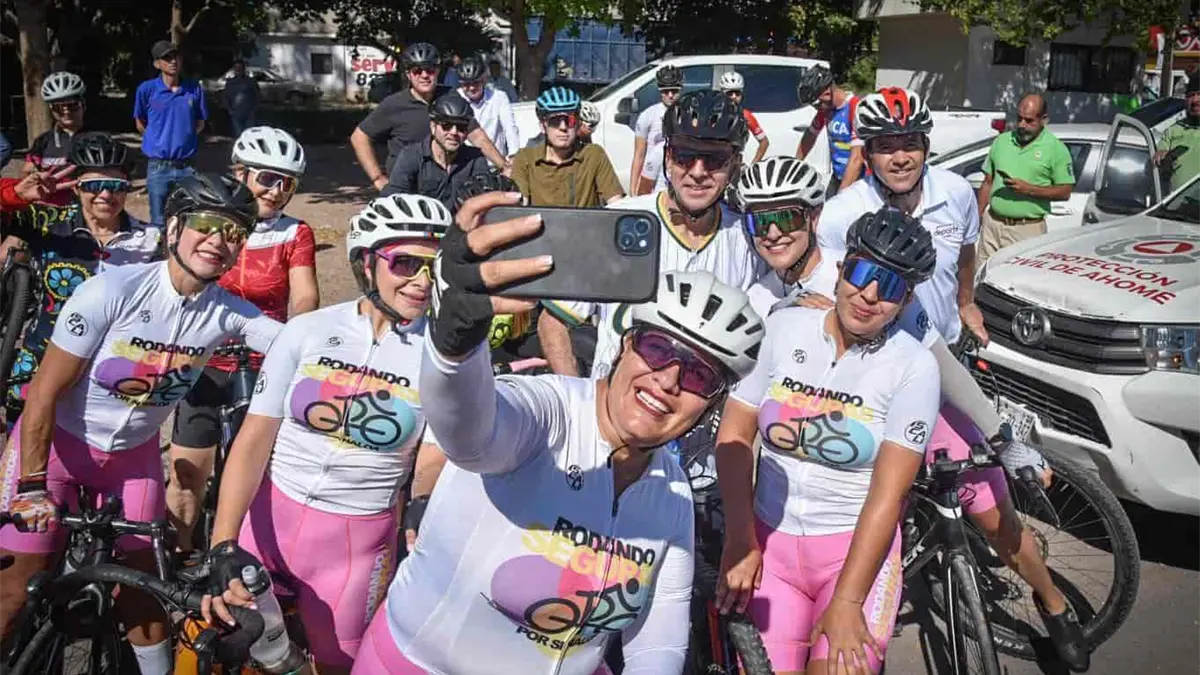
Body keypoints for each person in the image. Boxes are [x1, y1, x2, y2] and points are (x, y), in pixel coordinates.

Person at [352, 185, 765, 671]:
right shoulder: (549, 412)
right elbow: (467, 434)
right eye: (656, 349)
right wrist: (454, 343)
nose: (668, 379)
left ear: (712, 402)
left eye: (699, 375)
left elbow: (657, 643)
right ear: (623, 346)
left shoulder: (670, 492)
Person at [815, 86, 1090, 671]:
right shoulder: (842, 214)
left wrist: (966, 303)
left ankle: (1052, 600)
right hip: (867, 378)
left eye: (909, 143)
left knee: (988, 505)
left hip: (935, 364)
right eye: (884, 146)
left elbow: (965, 256)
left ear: (925, 145)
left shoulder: (958, 193)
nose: (899, 156)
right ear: (867, 152)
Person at [0, 172, 280, 675]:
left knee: (144, 589)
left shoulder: (227, 313)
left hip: (132, 460)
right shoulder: (111, 290)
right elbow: (42, 393)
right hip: (56, 450)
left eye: (233, 233)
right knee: (15, 589)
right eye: (205, 225)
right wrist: (32, 485)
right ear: (173, 228)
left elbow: (300, 344)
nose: (218, 241)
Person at [201, 193, 449, 674]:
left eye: (434, 268)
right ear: (365, 262)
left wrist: (421, 504)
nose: (422, 281)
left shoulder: (443, 356)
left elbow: (433, 457)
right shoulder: (308, 331)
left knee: (339, 664)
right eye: (405, 263)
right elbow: (253, 440)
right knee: (226, 650)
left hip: (355, 547)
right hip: (267, 525)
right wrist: (223, 544)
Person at [715, 208, 940, 675]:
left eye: (890, 286)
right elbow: (735, 433)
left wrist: (849, 599)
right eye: (860, 273)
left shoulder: (914, 366)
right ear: (840, 269)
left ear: (906, 300)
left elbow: (888, 495)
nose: (869, 295)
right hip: (768, 546)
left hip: (852, 557)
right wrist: (739, 537)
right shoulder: (782, 329)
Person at [166, 126, 319, 552]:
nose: (277, 191)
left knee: (252, 470)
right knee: (186, 473)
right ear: (240, 173)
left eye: (288, 183)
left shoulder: (295, 233)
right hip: (203, 358)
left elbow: (305, 296)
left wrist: (296, 345)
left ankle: (235, 551)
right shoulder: (213, 224)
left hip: (263, 360)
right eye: (268, 178)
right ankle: (181, 553)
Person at [538, 89, 761, 379]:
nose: (698, 171)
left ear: (734, 165)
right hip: (614, 402)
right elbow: (553, 320)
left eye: (715, 159)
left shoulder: (747, 238)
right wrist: (575, 393)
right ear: (668, 157)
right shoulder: (615, 223)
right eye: (685, 155)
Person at [2, 132, 163, 430]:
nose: (105, 195)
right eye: (93, 185)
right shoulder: (47, 223)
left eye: (116, 186)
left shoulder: (152, 240)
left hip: (111, 372)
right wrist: (16, 196)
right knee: (22, 445)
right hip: (41, 359)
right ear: (76, 187)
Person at [351, 42, 506, 190]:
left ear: (438, 71)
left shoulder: (451, 96)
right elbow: (359, 137)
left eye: (430, 70)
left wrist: (503, 166)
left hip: (444, 185)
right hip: (406, 186)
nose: (424, 75)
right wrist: (377, 177)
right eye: (417, 71)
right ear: (408, 74)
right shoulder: (393, 104)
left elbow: (476, 135)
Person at [976, 93, 1075, 266]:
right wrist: (978, 216)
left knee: (1014, 279)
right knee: (981, 275)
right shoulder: (1002, 141)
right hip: (992, 224)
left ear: (1044, 119)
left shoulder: (1056, 149)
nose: (1022, 125)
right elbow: (988, 182)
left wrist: (1029, 189)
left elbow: (1065, 191)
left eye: (1029, 121)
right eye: (1019, 119)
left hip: (1026, 230)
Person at [734, 156, 833, 318]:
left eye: (787, 218)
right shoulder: (753, 303)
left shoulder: (848, 277)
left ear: (814, 218)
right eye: (759, 221)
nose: (773, 234)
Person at [510, 86, 624, 208]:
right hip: (540, 220)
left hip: (583, 221)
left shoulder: (593, 155)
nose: (563, 127)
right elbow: (520, 204)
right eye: (555, 121)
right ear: (543, 126)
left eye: (570, 120)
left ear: (578, 124)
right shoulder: (525, 158)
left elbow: (616, 203)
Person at [134, 41, 209, 226]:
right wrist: (157, 139)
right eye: (167, 58)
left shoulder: (195, 89)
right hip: (158, 167)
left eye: (176, 56)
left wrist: (184, 138)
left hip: (187, 166)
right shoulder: (147, 90)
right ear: (157, 64)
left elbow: (200, 122)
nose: (173, 61)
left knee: (188, 218)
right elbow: (140, 122)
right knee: (158, 221)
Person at [382, 93, 492, 207]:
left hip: (462, 218)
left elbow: (485, 198)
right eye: (446, 126)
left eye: (461, 127)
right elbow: (391, 199)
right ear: (433, 126)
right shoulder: (411, 155)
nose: (454, 132)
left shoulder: (475, 158)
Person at [795, 65, 864, 195]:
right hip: (837, 177)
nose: (817, 109)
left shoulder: (855, 108)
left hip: (859, 180)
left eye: (817, 104)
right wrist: (796, 164)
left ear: (827, 93)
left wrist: (842, 196)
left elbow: (857, 158)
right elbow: (810, 135)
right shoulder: (826, 109)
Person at [24, 71, 88, 206]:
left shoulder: (97, 138)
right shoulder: (42, 141)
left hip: (83, 207)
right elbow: (27, 171)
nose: (66, 111)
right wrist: (38, 177)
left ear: (83, 104)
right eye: (59, 107)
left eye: (72, 105)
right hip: (48, 206)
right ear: (51, 109)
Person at [630, 65, 682, 196]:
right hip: (651, 177)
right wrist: (632, 191)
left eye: (674, 91)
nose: (670, 95)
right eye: (666, 91)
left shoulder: (687, 114)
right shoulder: (647, 115)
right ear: (659, 91)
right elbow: (639, 155)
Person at [456, 54, 520, 160]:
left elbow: (510, 128)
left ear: (484, 80)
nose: (471, 88)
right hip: (466, 162)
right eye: (466, 84)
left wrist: (514, 155)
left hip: (494, 162)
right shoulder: (456, 97)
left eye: (475, 83)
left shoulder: (499, 97)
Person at [1156, 71, 1200, 193]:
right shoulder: (1173, 130)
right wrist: (1161, 156)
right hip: (1176, 203)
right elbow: (1160, 154)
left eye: (1199, 94)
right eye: (1191, 95)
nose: (1195, 100)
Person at [718, 71, 770, 164]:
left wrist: (753, 164)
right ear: (722, 94)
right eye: (729, 93)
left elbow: (764, 142)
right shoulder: (713, 113)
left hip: (734, 163)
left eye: (737, 93)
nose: (734, 96)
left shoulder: (746, 116)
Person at [222, 59, 261, 138]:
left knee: (250, 135)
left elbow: (258, 96)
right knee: (239, 135)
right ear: (234, 69)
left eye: (240, 67)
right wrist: (229, 110)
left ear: (244, 69)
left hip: (249, 114)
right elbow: (225, 97)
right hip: (236, 114)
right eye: (236, 68)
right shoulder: (230, 83)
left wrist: (254, 110)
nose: (238, 70)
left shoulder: (251, 81)